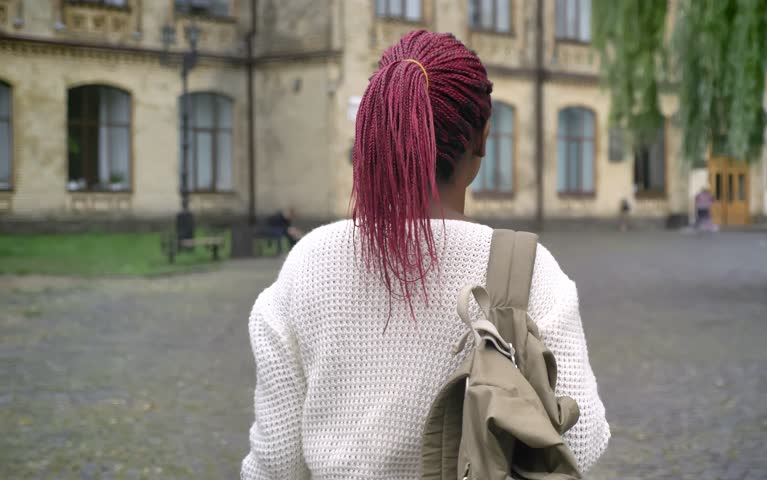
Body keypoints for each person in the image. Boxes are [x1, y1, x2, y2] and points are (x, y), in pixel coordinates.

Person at [241, 30, 609, 479]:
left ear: (379, 133)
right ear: (482, 140)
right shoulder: (530, 271)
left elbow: (275, 462)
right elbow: (582, 438)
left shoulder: (309, 263)